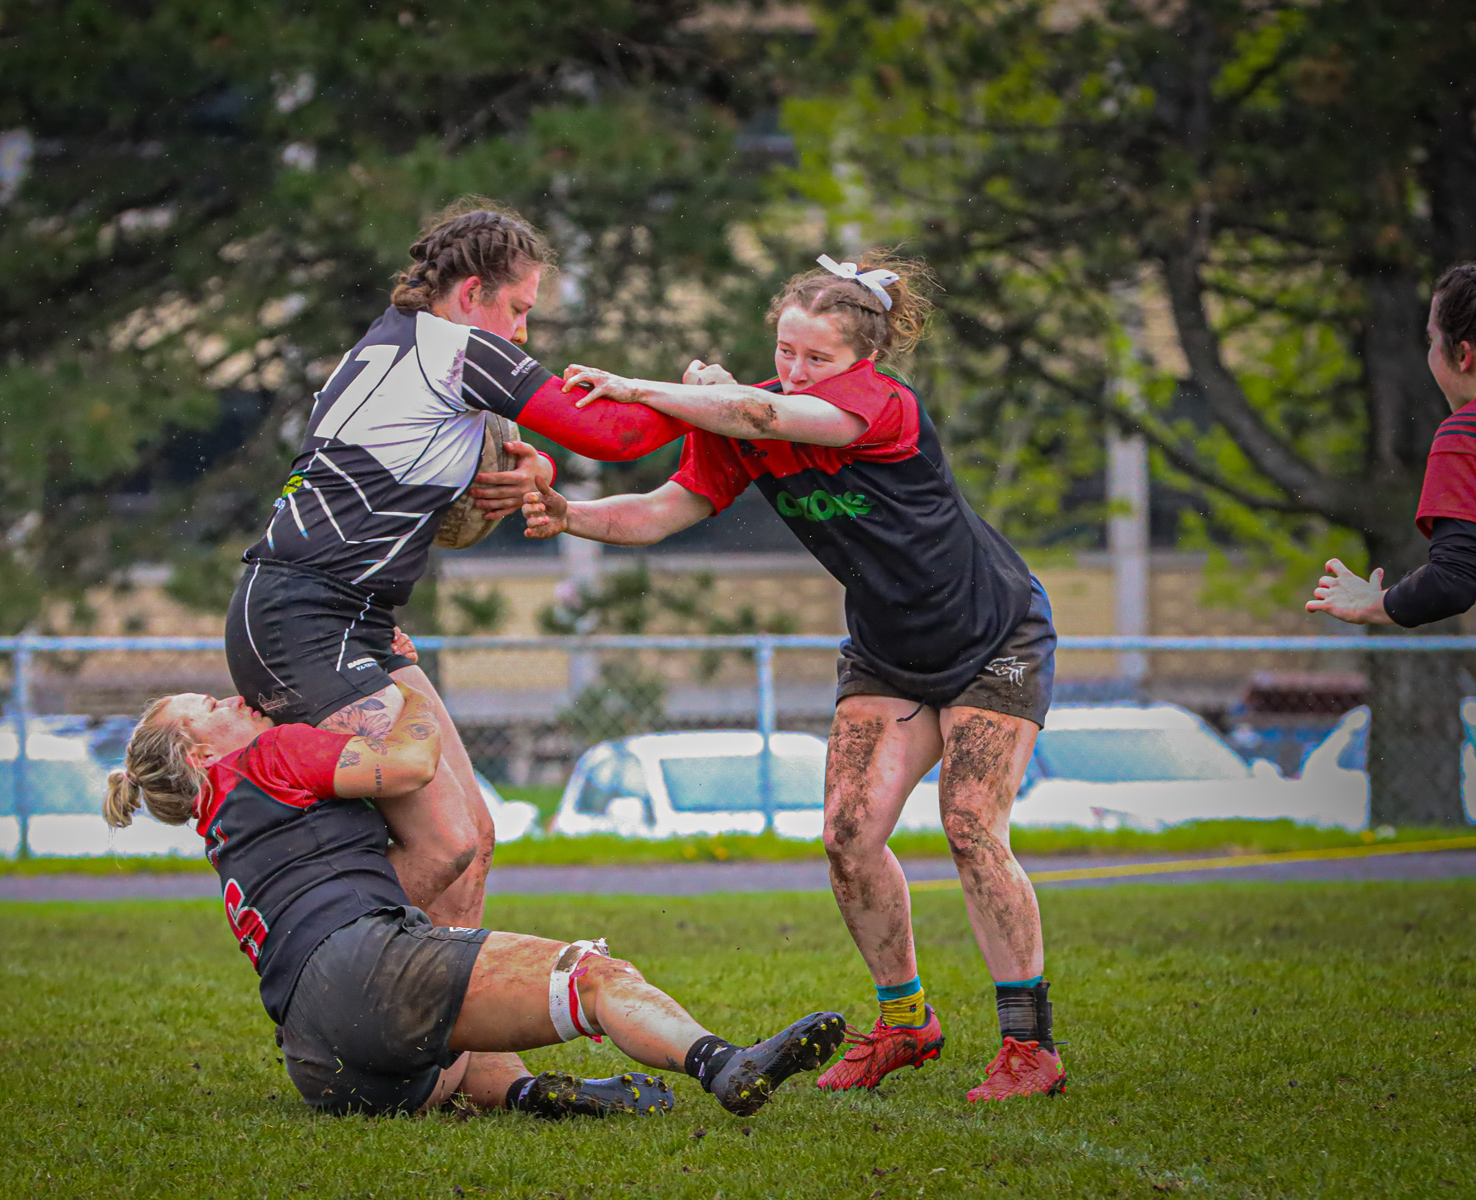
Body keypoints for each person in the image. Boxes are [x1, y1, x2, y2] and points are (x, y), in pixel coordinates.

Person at [521, 251, 1066, 1102]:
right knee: (848, 835)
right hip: (888, 651)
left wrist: (637, 388)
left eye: (818, 358)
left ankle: (1029, 1047)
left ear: (861, 363)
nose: (797, 369)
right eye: (786, 350)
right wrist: (570, 515)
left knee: (968, 822)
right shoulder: (750, 426)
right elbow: (664, 511)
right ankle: (904, 1023)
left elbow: (756, 408)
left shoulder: (877, 406)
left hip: (994, 634)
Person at [226, 199, 692, 938]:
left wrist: (533, 465)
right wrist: (714, 397)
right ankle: (315, 985)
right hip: (303, 621)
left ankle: (455, 1055)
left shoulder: (399, 343)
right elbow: (614, 434)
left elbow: (469, 469)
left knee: (472, 839)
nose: (523, 330)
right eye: (516, 307)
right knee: (443, 842)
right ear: (471, 292)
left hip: (348, 620)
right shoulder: (460, 348)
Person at [100, 671, 846, 1118]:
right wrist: (408, 690)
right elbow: (411, 766)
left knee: (448, 1022)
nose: (234, 696)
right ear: (202, 752)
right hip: (362, 974)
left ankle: (527, 1096)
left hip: (320, 1060)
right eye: (209, 703)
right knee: (595, 977)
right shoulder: (266, 753)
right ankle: (723, 1064)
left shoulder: (221, 832)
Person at [1309, 263, 1476, 627]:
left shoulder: (1465, 435)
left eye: (1432, 341)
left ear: (1464, 356)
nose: (1429, 354)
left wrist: (1375, 603)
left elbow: (1453, 581)